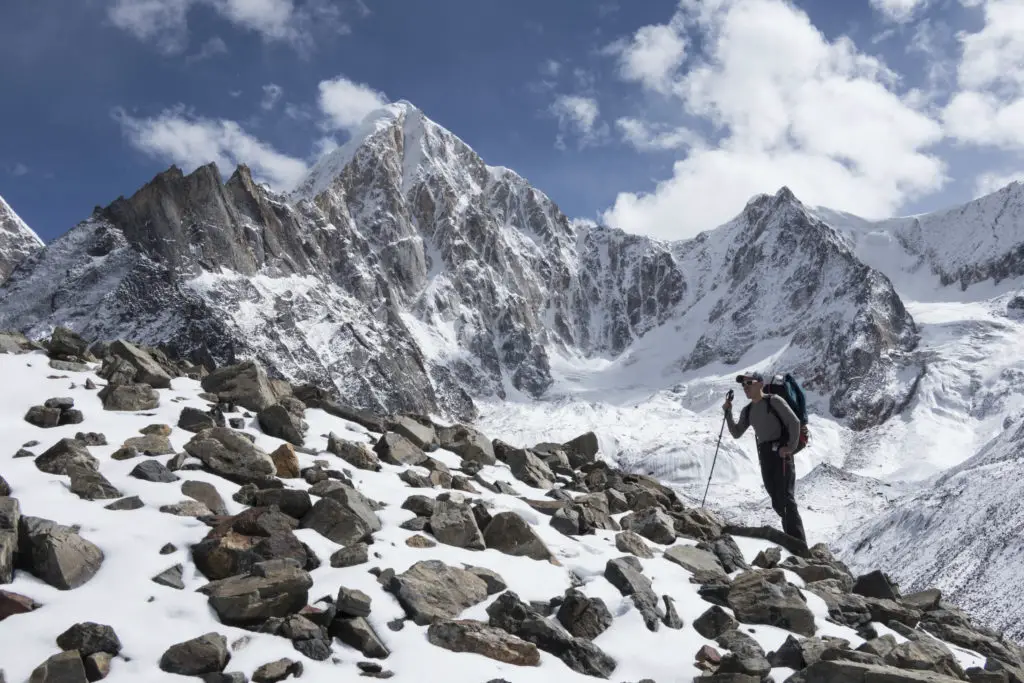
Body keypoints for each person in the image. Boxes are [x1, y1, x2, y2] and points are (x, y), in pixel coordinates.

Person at [723, 371, 807, 545]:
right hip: (766, 456)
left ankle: (800, 545)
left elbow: (794, 423)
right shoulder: (748, 410)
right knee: (776, 500)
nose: (745, 387)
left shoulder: (774, 400)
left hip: (781, 453)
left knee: (786, 499)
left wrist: (789, 448)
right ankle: (792, 542)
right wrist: (728, 413)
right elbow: (737, 432)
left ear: (760, 384)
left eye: (749, 383)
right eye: (743, 385)